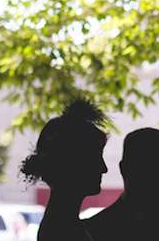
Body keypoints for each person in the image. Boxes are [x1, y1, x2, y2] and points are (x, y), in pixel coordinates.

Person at [19, 97, 112, 241]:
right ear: (72, 163)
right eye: (94, 158)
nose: (103, 168)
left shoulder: (58, 225)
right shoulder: (64, 230)